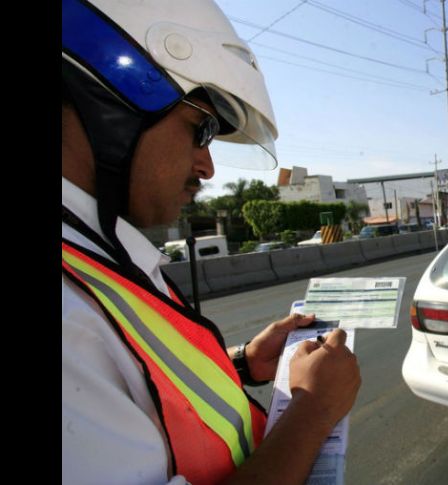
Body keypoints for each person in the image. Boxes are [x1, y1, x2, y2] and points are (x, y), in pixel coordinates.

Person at [61, 1, 361, 484]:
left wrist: (242, 362)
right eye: (200, 129)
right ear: (110, 101)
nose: (207, 167)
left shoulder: (99, 255)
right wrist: (314, 408)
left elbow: (143, 387)